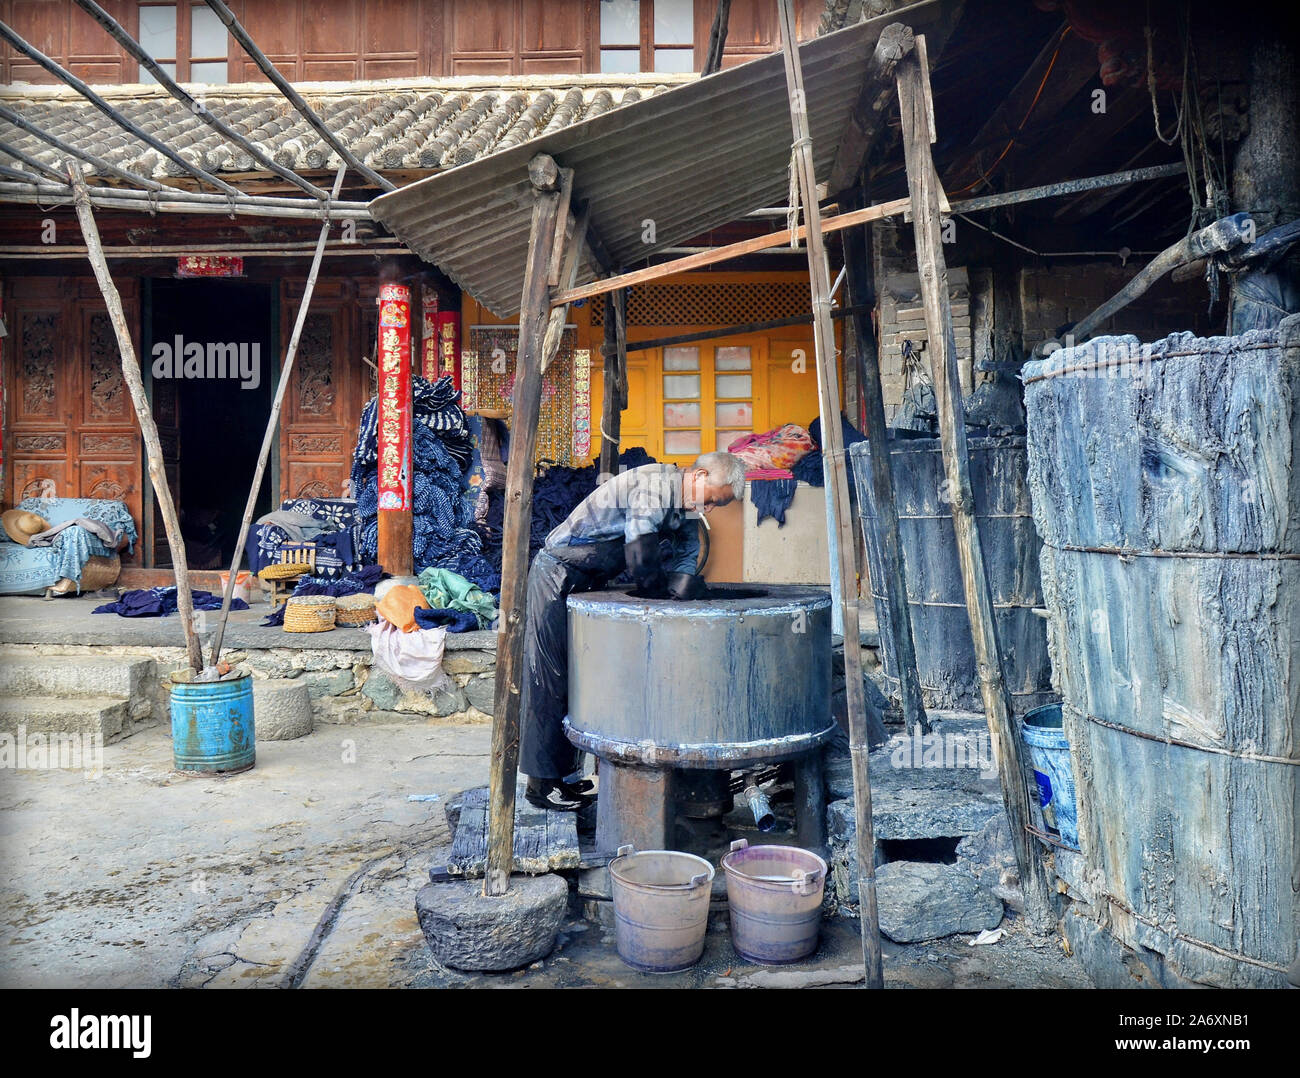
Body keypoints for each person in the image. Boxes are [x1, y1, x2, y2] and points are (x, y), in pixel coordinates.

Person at [519, 451, 746, 810]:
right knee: (549, 677)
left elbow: (688, 550)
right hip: (557, 574)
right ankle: (540, 785)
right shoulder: (656, 485)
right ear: (699, 475)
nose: (711, 509)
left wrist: (685, 583)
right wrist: (661, 592)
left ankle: (565, 778)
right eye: (712, 499)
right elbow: (641, 555)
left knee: (580, 679)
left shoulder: (685, 505)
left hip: (588, 579)